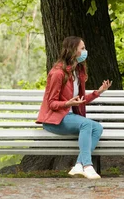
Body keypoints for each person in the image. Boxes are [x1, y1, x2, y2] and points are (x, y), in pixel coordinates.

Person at [36, 36, 112, 179]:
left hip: (69, 117)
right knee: (86, 124)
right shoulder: (58, 73)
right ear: (73, 51)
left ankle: (78, 165)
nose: (85, 51)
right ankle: (88, 166)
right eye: (82, 48)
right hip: (54, 120)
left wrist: (99, 92)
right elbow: (51, 103)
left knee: (97, 128)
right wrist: (67, 104)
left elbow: (81, 100)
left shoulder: (77, 72)